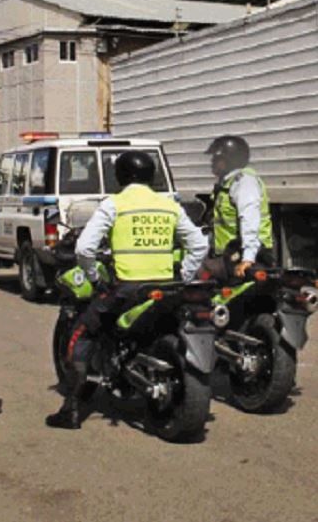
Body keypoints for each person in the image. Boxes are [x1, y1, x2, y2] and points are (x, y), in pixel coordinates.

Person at [46, 150, 209, 429]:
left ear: (121, 176)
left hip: (127, 290)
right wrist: (184, 273)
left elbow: (85, 247)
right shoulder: (168, 205)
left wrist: (94, 276)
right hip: (167, 287)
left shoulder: (115, 204)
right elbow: (199, 244)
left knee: (81, 334)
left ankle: (71, 410)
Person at [205, 135, 274, 278]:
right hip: (230, 254)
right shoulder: (227, 183)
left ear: (229, 160)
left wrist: (248, 259)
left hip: (245, 256)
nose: (212, 162)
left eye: (217, 158)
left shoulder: (243, 182)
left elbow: (249, 219)